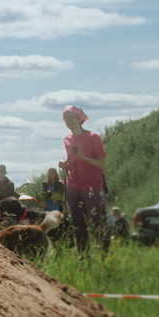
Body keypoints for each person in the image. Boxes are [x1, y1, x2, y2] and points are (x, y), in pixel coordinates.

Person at [60, 106, 108, 253]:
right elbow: (74, 163)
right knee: (77, 225)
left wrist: (82, 157)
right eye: (66, 118)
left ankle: (104, 256)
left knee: (98, 223)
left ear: (80, 119)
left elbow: (102, 165)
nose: (69, 121)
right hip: (73, 187)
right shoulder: (67, 140)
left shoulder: (93, 137)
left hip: (92, 187)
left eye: (72, 118)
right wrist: (66, 165)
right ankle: (83, 258)